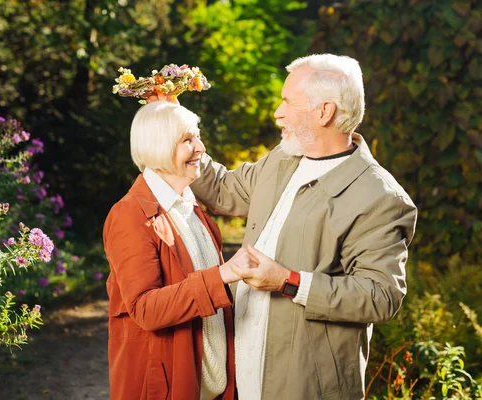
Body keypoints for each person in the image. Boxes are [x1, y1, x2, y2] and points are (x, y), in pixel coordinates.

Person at [188, 54, 418, 399]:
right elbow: (222, 190)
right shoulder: (282, 159)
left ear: (324, 112)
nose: (278, 113)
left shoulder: (379, 197)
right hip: (241, 375)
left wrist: (287, 281)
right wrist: (178, 128)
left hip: (306, 386)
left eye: (287, 102)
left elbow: (380, 296)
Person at [103, 100, 253, 400]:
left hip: (211, 389)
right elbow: (146, 309)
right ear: (158, 146)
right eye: (188, 140)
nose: (200, 148)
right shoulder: (130, 215)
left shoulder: (189, 207)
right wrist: (222, 275)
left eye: (197, 136)